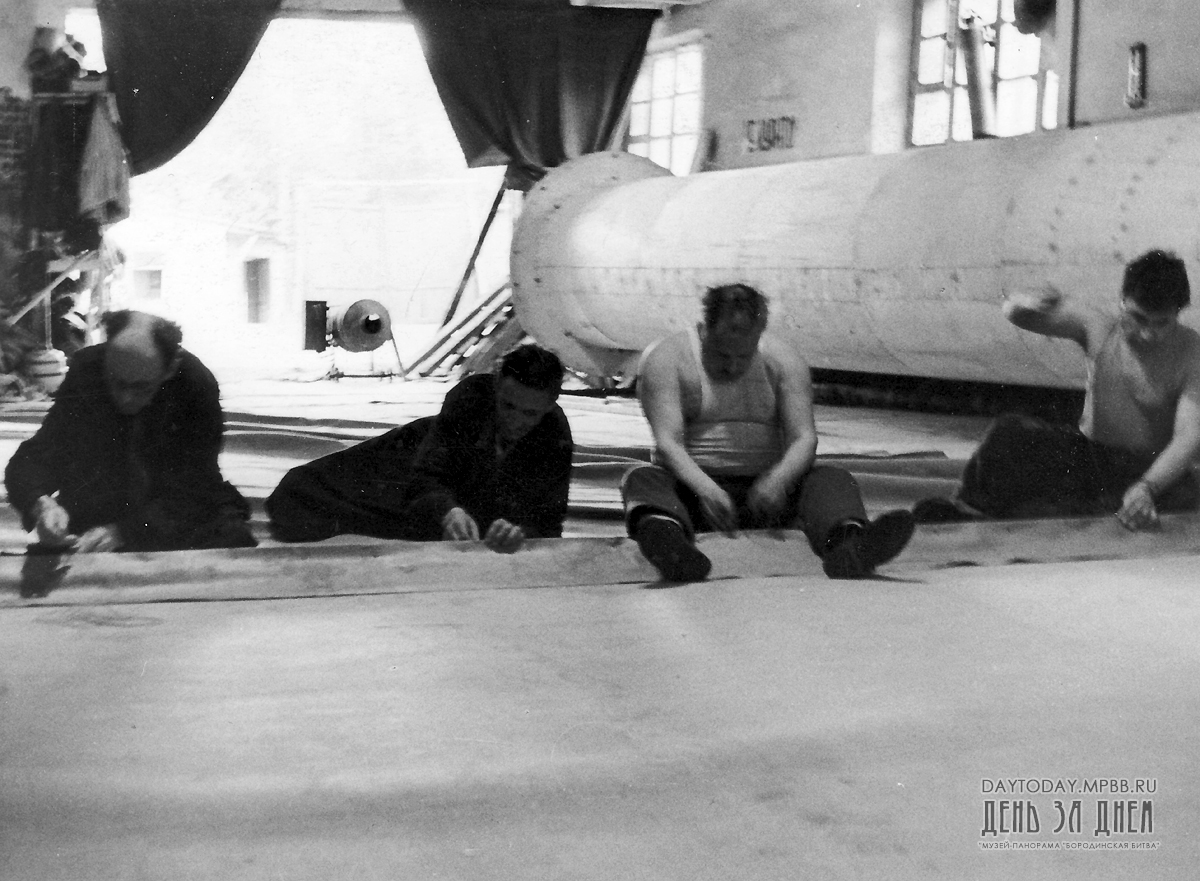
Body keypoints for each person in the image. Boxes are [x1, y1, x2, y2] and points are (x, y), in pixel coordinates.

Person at [623, 283, 915, 581]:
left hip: (767, 498)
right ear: (705, 329)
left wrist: (778, 480)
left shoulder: (784, 360)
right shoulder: (667, 358)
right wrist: (706, 489)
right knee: (642, 480)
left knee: (832, 479)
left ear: (758, 336)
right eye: (721, 355)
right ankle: (671, 548)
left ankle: (848, 546)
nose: (732, 366)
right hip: (694, 493)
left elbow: (804, 438)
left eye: (743, 356)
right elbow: (668, 444)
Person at [913, 249, 1200, 530]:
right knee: (1008, 432)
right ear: (1123, 302)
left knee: (1184, 495)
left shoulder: (1192, 353)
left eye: (1162, 323)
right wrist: (1026, 303)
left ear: (1178, 312)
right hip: (1093, 457)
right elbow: (1015, 313)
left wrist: (1148, 486)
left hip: (1149, 468)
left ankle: (1065, 510)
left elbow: (1188, 437)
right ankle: (967, 510)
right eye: (1138, 319)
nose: (1148, 333)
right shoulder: (1100, 327)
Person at [267, 343, 573, 552]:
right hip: (417, 450)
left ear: (550, 406)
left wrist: (520, 533)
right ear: (496, 389)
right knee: (299, 490)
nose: (515, 421)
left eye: (530, 414)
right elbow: (425, 477)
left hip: (472, 504)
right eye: (508, 406)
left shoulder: (555, 435)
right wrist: (449, 511)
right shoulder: (470, 399)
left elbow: (549, 521)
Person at [5, 310, 255, 553]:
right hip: (99, 503)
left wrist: (126, 532)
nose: (125, 398)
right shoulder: (88, 369)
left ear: (170, 369)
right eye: (116, 382)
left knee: (227, 535)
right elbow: (40, 453)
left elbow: (198, 485)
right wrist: (41, 504)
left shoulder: (195, 384)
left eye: (142, 387)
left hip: (167, 511)